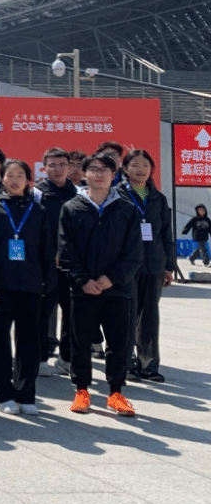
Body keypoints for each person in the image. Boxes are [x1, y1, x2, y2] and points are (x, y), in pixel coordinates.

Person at [58, 152, 144, 416]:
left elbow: (134, 252)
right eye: (93, 169)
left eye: (105, 170)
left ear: (114, 175)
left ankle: (116, 392)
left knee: (119, 343)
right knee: (81, 341)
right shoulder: (72, 208)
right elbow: (66, 250)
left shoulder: (126, 209)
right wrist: (83, 280)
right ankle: (81, 390)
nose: (99, 174)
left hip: (118, 290)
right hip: (83, 289)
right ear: (84, 174)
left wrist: (111, 278)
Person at [0, 160, 55, 415]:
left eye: (20, 175)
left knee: (30, 341)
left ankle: (26, 394)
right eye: (9, 175)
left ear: (28, 179)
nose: (14, 180)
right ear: (2, 178)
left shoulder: (38, 210)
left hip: (31, 285)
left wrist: (48, 282)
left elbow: (47, 250)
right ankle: (2, 395)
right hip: (0, 286)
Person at [119, 149, 177, 383]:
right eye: (135, 165)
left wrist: (169, 266)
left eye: (145, 165)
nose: (140, 170)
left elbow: (166, 234)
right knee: (126, 315)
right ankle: (126, 364)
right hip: (126, 266)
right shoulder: (117, 196)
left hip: (153, 265)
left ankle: (149, 365)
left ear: (152, 169)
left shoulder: (158, 198)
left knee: (150, 316)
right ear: (125, 169)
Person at [36, 147, 79, 376]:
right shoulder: (36, 194)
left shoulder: (79, 193)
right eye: (52, 165)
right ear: (44, 168)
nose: (58, 169)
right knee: (43, 312)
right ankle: (41, 357)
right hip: (45, 265)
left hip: (72, 264)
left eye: (62, 164)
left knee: (72, 312)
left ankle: (66, 358)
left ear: (69, 167)